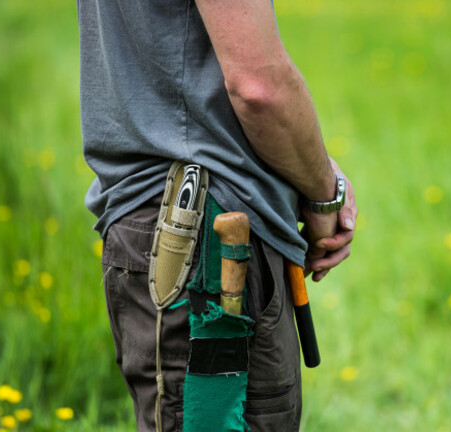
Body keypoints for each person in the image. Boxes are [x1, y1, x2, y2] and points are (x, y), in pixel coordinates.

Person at [77, 0, 357, 431]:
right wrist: (325, 195)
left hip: (161, 223)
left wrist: (315, 164)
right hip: (203, 237)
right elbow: (258, 87)